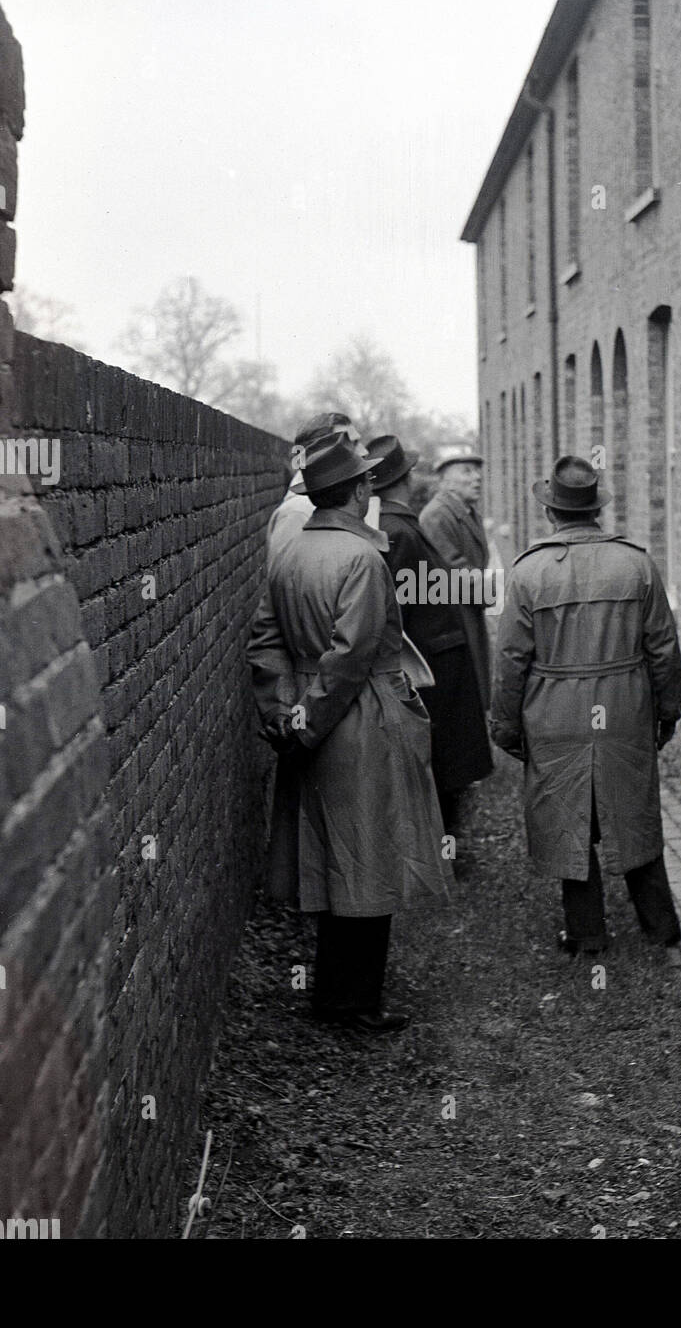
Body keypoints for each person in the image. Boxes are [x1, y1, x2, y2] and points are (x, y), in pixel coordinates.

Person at [248, 433, 452, 1032]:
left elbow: (265, 643)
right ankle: (354, 1004)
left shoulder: (290, 555)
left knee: (334, 854)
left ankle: (338, 996)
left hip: (314, 719)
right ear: (361, 491)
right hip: (359, 718)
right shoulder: (362, 559)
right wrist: (306, 722)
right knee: (371, 857)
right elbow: (351, 657)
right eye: (368, 481)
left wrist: (284, 713)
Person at [490, 456, 681, 955]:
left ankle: (586, 932)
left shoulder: (529, 572)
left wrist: (506, 726)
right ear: (596, 509)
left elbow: (511, 660)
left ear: (551, 512)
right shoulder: (636, 563)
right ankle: (661, 928)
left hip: (555, 709)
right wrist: (668, 711)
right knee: (633, 808)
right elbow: (663, 648)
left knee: (567, 814)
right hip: (625, 705)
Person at [367, 435, 494, 851]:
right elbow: (404, 607)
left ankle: (445, 848)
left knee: (446, 764)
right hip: (431, 661)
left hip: (439, 653)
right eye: (464, 470)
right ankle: (441, 852)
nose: (474, 476)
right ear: (406, 477)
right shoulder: (402, 529)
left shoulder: (401, 524)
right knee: (441, 763)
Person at [420, 446, 492, 712]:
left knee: (472, 689)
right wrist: (491, 589)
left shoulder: (466, 511)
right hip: (453, 617)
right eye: (467, 471)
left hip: (467, 611)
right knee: (462, 695)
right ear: (446, 480)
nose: (477, 478)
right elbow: (452, 568)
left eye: (477, 471)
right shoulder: (437, 514)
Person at [267, 412, 381, 558]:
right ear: (322, 451)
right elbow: (288, 575)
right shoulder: (296, 512)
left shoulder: (338, 497)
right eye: (352, 443)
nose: (364, 451)